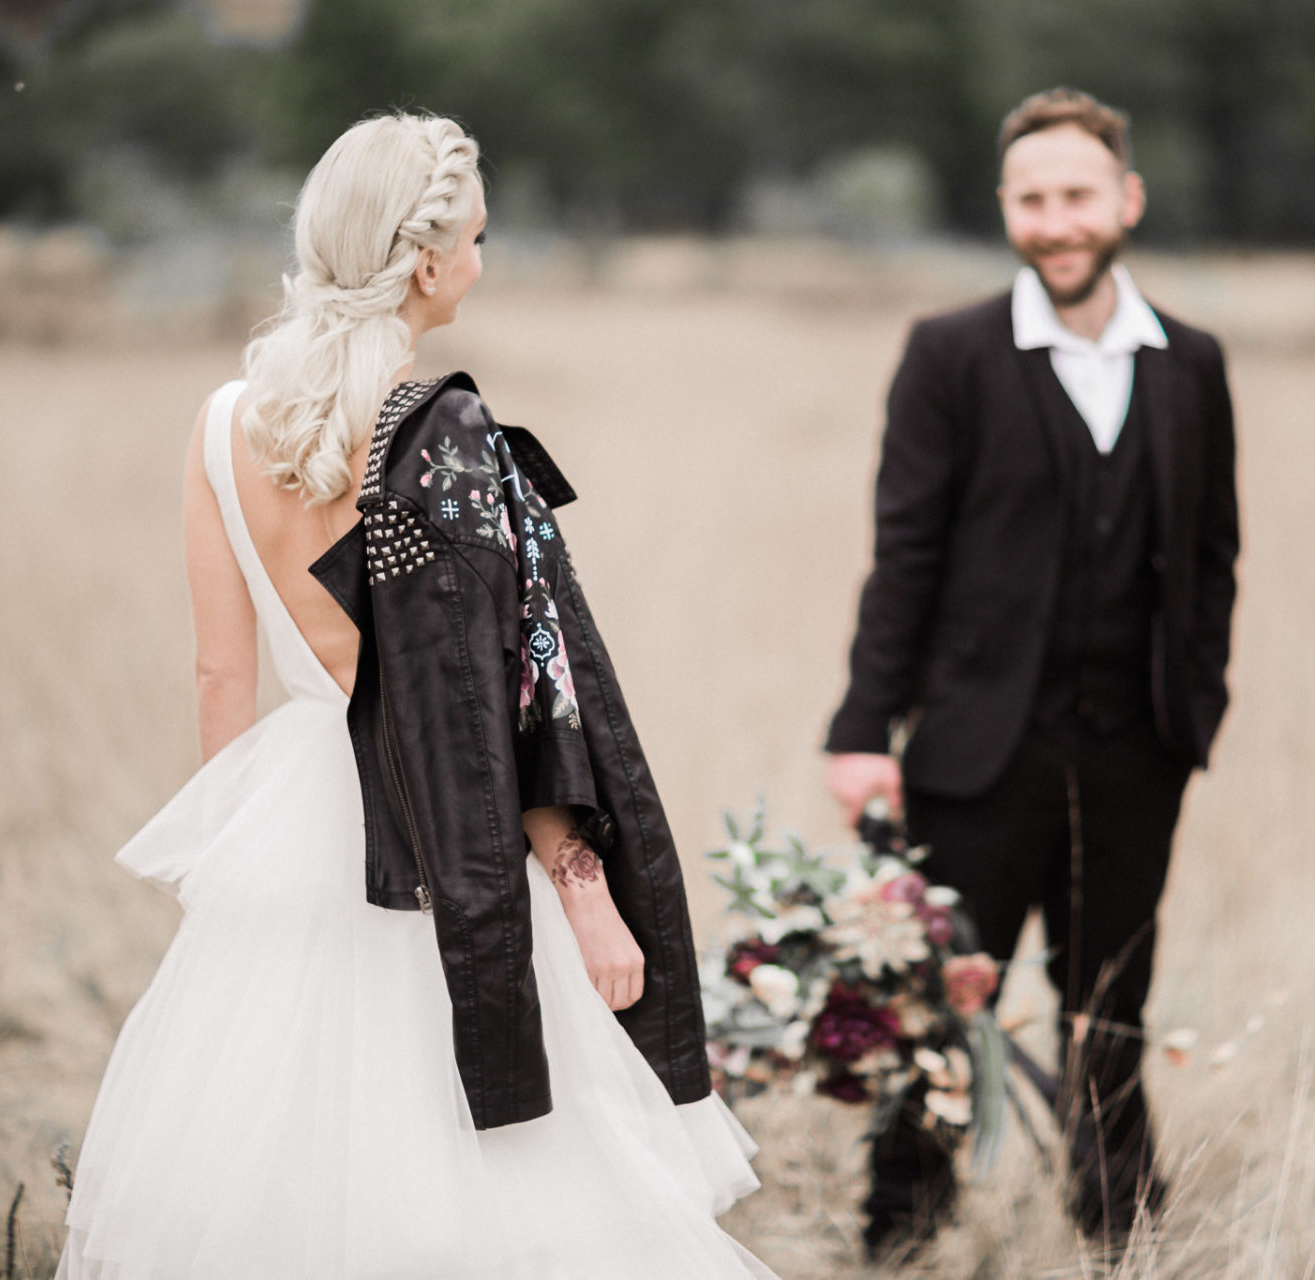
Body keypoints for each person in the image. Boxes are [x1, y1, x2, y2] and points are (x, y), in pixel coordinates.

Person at [58, 113, 778, 1279]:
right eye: (479, 238)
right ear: (429, 260)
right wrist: (584, 888)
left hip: (287, 822)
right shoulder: (443, 430)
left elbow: (218, 672)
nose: (482, 263)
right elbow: (488, 705)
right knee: (498, 1170)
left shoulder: (221, 422)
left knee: (273, 1165)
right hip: (449, 837)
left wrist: (232, 854)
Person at [824, 87, 1240, 1254]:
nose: (1056, 222)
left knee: (1110, 1011)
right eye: (1033, 200)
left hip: (1134, 754)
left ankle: (1121, 1234)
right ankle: (899, 1237)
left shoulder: (1190, 366)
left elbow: (1212, 557)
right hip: (973, 750)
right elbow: (901, 555)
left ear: (1127, 201)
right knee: (934, 1012)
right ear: (1006, 208)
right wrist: (864, 727)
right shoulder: (949, 354)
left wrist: (1190, 711)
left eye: (1078, 197)